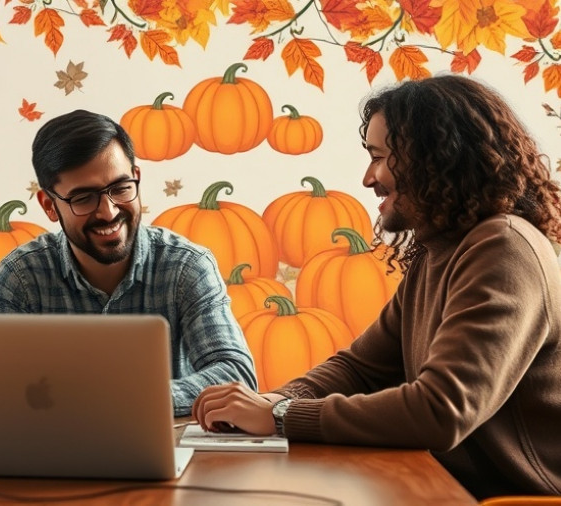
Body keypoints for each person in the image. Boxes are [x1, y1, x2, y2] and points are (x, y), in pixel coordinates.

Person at [192, 74, 561, 499]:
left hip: (520, 498)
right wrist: (269, 403)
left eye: (380, 156)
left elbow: (440, 411)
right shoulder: (439, 251)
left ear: (437, 159)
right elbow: (360, 368)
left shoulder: (503, 247)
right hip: (451, 489)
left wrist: (279, 414)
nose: (369, 178)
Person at [0, 109, 258, 416]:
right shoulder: (19, 279)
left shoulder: (186, 266)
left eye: (120, 188)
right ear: (50, 206)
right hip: (53, 455)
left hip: (166, 452)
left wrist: (128, 397)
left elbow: (236, 375)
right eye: (84, 198)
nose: (108, 212)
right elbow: (4, 392)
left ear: (137, 178)